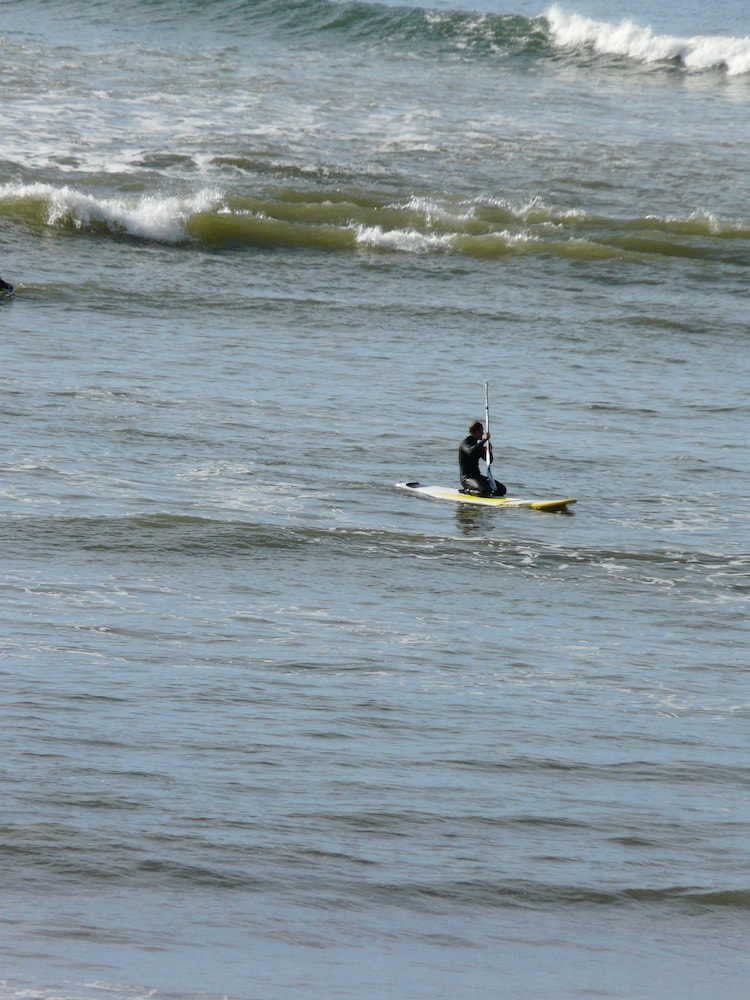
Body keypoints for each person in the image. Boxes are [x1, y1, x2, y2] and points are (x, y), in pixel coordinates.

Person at [459, 420, 506, 496]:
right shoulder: (465, 443)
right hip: (467, 479)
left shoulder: (478, 446)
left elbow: (489, 461)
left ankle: (481, 492)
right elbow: (470, 452)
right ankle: (466, 491)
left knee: (501, 490)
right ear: (477, 431)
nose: (483, 433)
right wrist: (484, 440)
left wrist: (489, 451)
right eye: (482, 431)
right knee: (486, 490)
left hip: (477, 477)